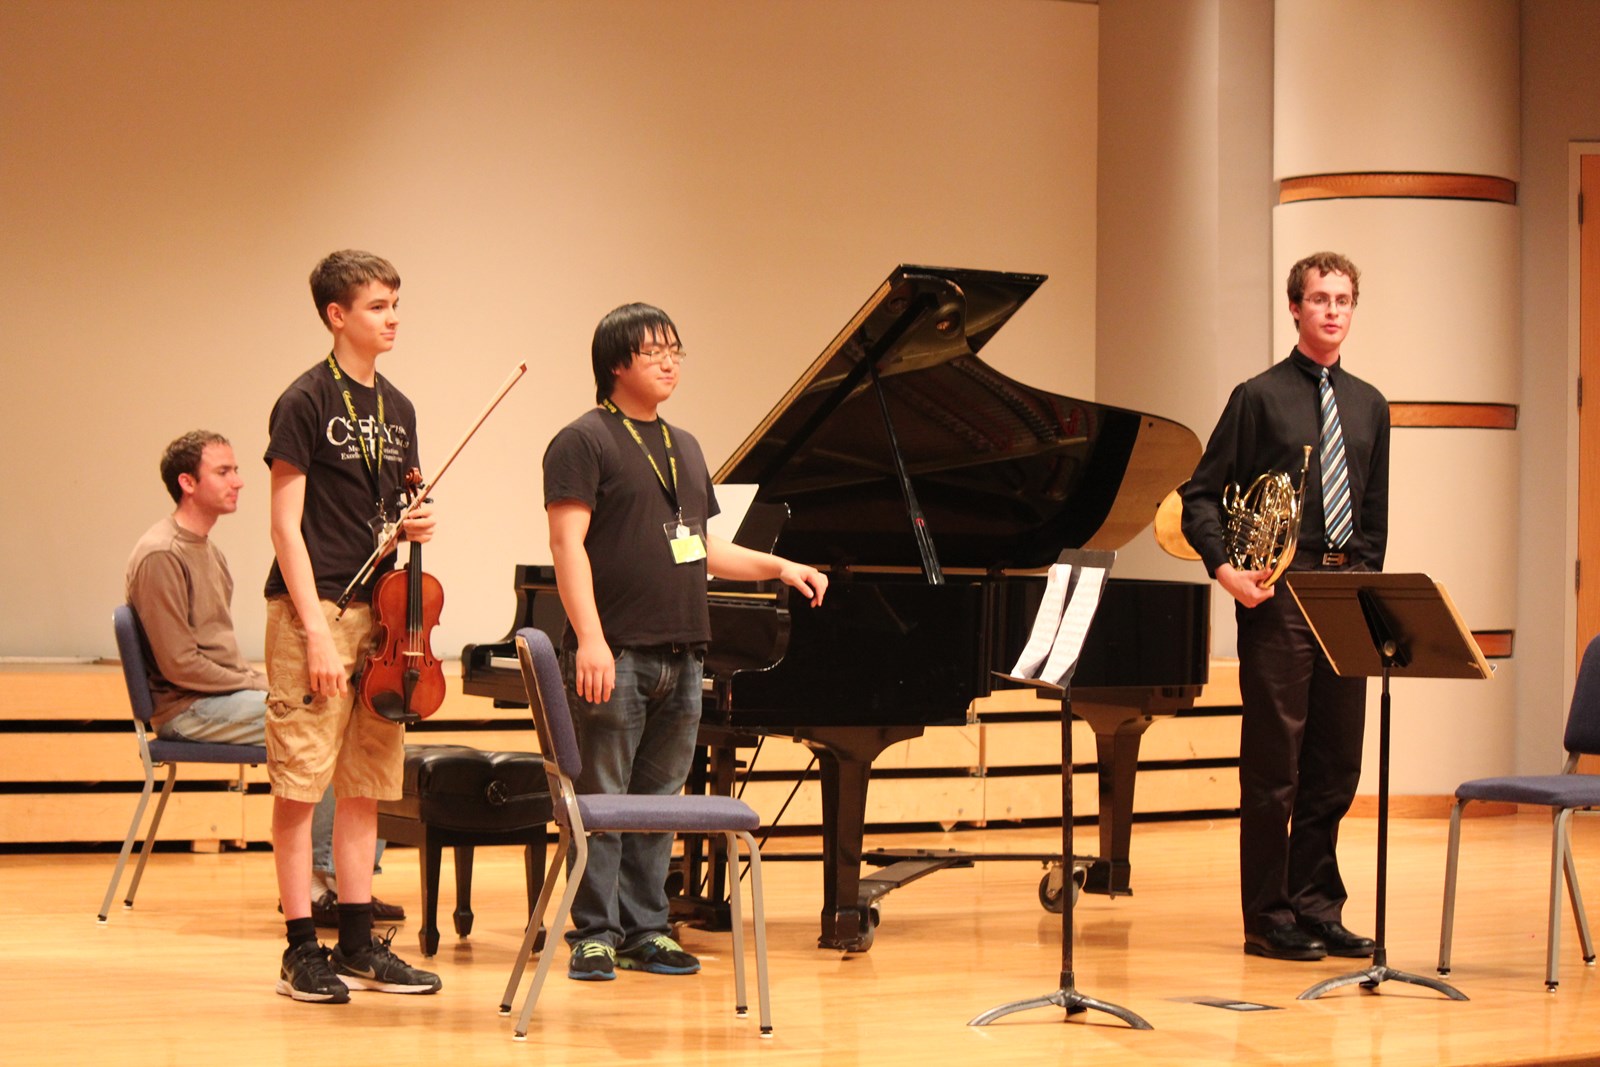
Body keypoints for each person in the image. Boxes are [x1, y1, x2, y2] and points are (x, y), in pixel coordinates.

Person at [543, 302, 828, 982]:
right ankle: (594, 933)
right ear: (617, 363)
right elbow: (566, 544)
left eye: (675, 350)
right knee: (602, 798)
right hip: (616, 651)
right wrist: (591, 638)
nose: (670, 362)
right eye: (654, 352)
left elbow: (703, 546)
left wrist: (779, 565)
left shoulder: (686, 446)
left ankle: (647, 929)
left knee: (660, 802)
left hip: (683, 652)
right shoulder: (582, 440)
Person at [1181, 251, 1390, 962]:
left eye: (1343, 299)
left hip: (1346, 593)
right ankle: (1267, 916)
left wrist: (1366, 589)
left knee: (1338, 763)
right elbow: (1199, 495)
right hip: (1279, 589)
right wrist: (1226, 571)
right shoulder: (1258, 397)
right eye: (1319, 298)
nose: (1333, 310)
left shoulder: (1370, 405)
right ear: (1295, 308)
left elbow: (1373, 517)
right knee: (1276, 766)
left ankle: (1316, 906)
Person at [125, 431, 405, 931]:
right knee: (330, 722)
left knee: (349, 716)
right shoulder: (161, 554)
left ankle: (345, 881)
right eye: (224, 472)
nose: (239, 481)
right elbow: (180, 665)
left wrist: (258, 681)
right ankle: (324, 882)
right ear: (187, 483)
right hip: (189, 709)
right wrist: (261, 682)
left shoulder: (207, 549)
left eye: (235, 470)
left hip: (225, 695)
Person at [264, 250, 440, 1003]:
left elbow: (394, 507)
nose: (393, 317)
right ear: (337, 315)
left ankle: (360, 943)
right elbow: (285, 526)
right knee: (302, 783)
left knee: (367, 783)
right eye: (377, 305)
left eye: (395, 303)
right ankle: (301, 949)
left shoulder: (399, 408)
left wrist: (413, 526)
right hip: (316, 609)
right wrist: (313, 629)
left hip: (385, 614)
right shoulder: (304, 399)